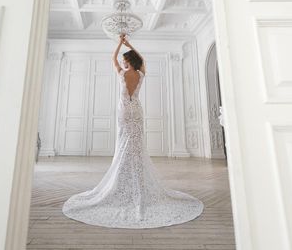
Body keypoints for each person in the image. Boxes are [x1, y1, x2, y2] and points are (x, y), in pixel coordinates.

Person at [62, 35, 204, 228]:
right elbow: (142, 60)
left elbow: (113, 59)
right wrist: (130, 45)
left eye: (124, 59)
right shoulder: (141, 74)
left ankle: (123, 177)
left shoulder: (122, 73)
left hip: (123, 111)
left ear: (128, 61)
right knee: (136, 145)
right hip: (136, 110)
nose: (122, 61)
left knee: (123, 143)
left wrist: (120, 43)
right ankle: (135, 177)